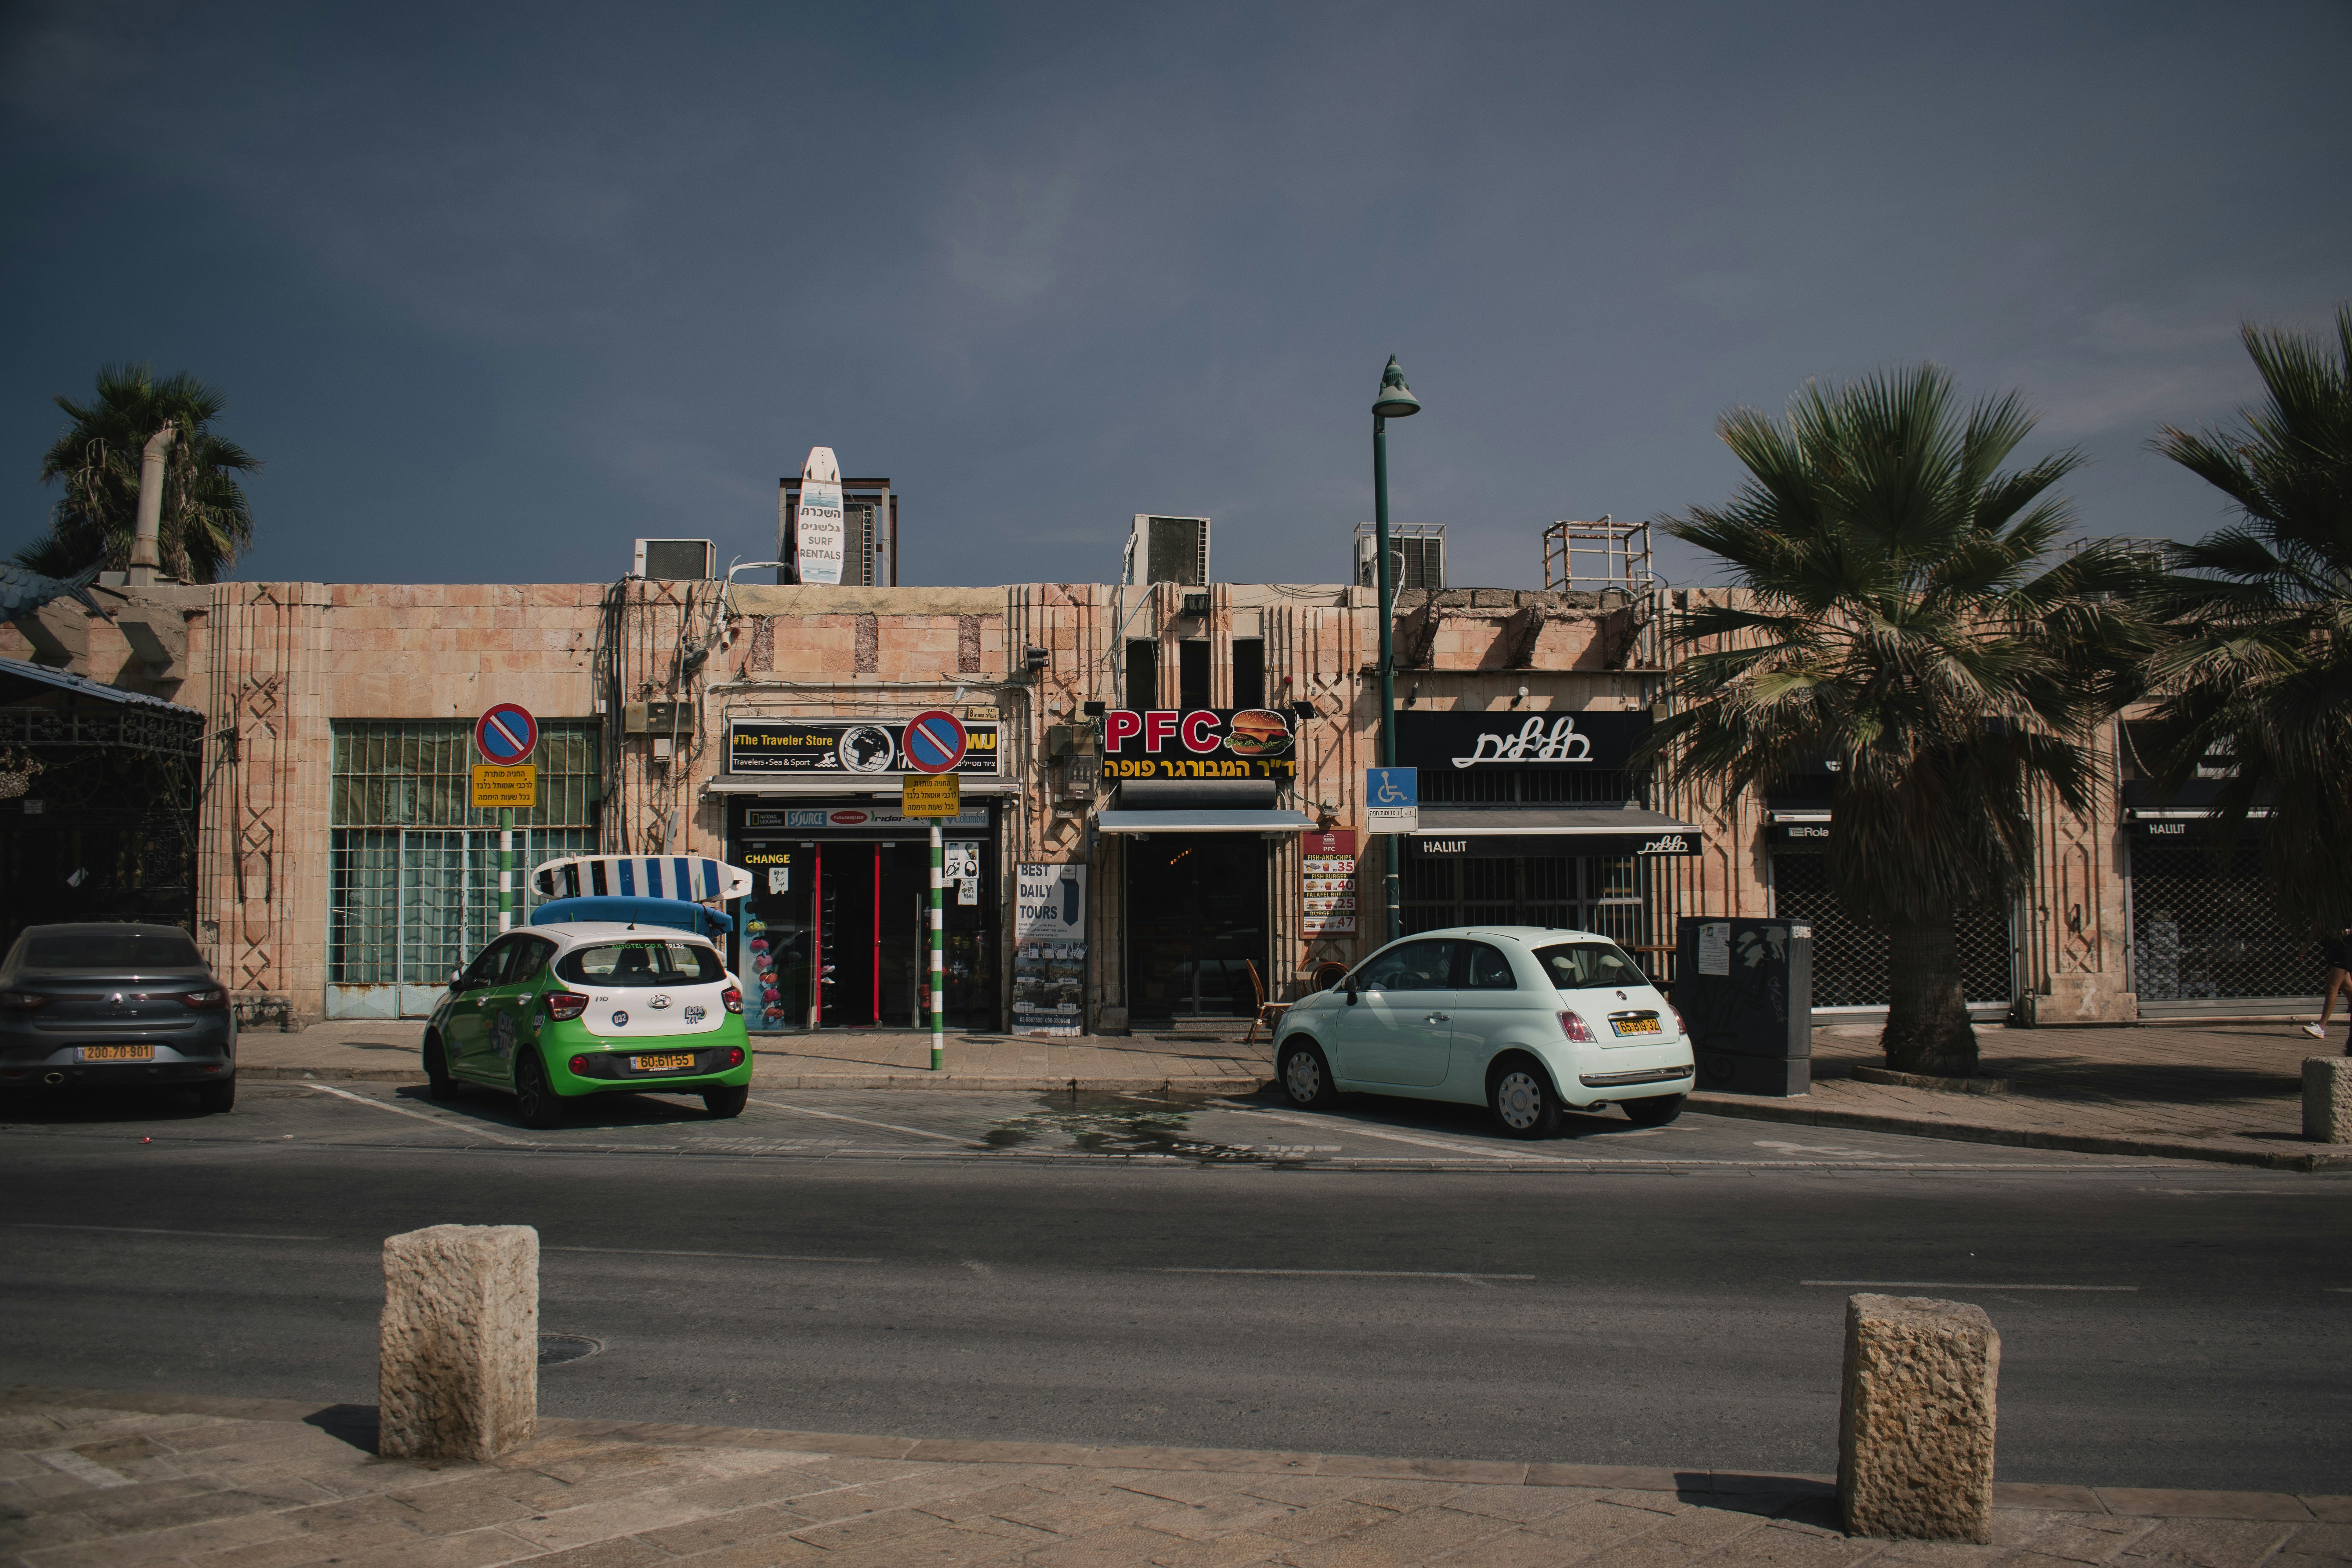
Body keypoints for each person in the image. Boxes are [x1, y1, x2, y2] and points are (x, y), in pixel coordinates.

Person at [2303, 926, 2352, 1040]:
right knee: (2347, 988)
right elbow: (2317, 926)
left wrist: (2346, 932)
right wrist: (2305, 947)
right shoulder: (2326, 915)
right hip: (2332, 949)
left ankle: (2321, 1027)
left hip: (2346, 949)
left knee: (2332, 987)